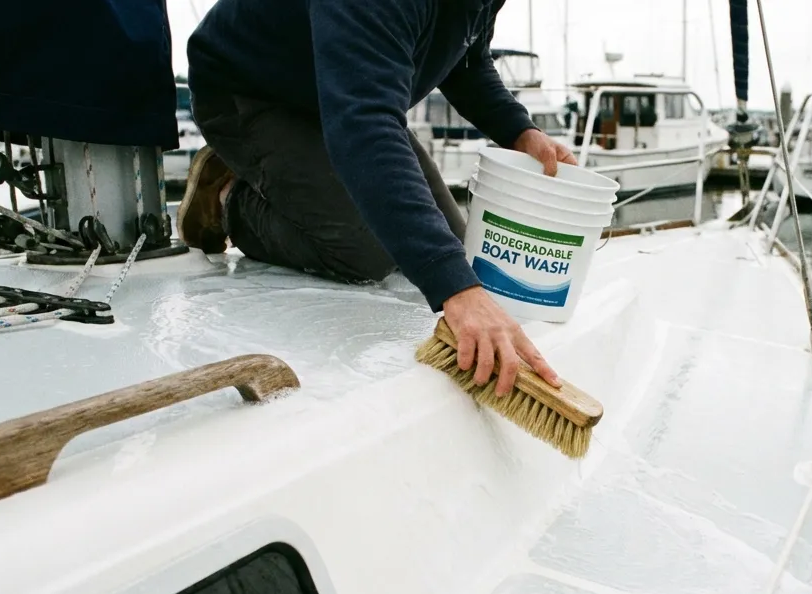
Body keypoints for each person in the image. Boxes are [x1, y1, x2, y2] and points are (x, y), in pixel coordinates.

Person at [178, 0, 576, 397]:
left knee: (457, 246)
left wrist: (519, 130)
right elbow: (365, 126)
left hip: (342, 85)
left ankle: (295, 177)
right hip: (252, 89)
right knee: (365, 253)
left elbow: (466, 58)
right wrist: (457, 293)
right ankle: (231, 200)